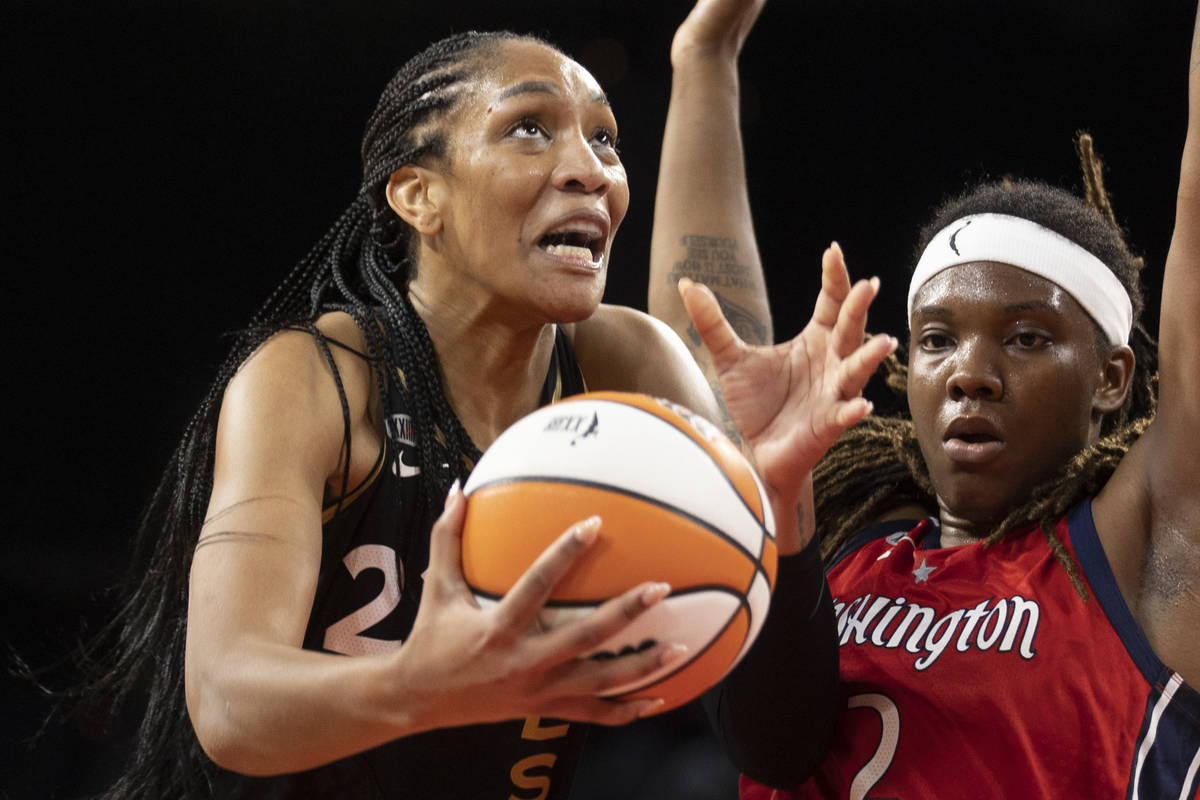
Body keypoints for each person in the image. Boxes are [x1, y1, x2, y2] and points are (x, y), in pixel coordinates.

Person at [43, 1, 900, 797]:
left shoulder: (624, 361)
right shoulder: (316, 378)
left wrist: (779, 509)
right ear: (420, 195)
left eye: (605, 140)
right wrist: (421, 684)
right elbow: (229, 704)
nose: (590, 171)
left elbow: (781, 749)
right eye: (531, 127)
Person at [653, 5, 1200, 798]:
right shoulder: (837, 546)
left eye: (1026, 339)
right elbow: (707, 354)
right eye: (938, 339)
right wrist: (705, 56)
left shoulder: (1142, 551)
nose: (969, 373)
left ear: (1112, 378)